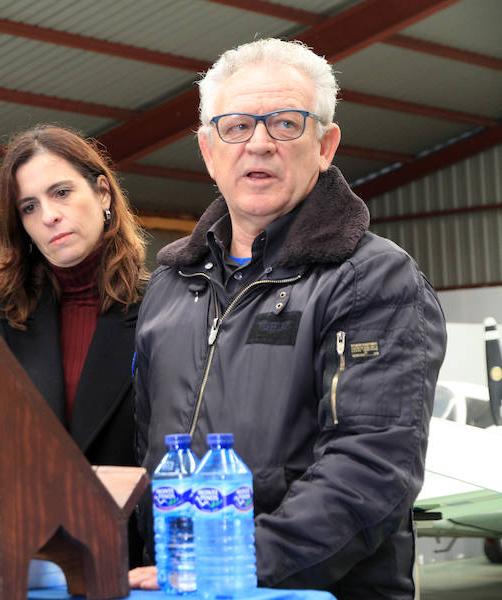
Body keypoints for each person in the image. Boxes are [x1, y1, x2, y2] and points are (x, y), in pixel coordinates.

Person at [130, 38, 446, 598]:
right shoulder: (171, 285)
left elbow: (371, 467)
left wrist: (237, 566)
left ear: (325, 145)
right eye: (235, 127)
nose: (258, 145)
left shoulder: (373, 278)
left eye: (284, 124)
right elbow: (147, 454)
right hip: (180, 585)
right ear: (208, 150)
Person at [0, 125, 149, 566]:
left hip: (138, 557)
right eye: (29, 207)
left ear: (104, 194)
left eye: (62, 193)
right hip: (37, 559)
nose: (49, 215)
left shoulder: (167, 303)